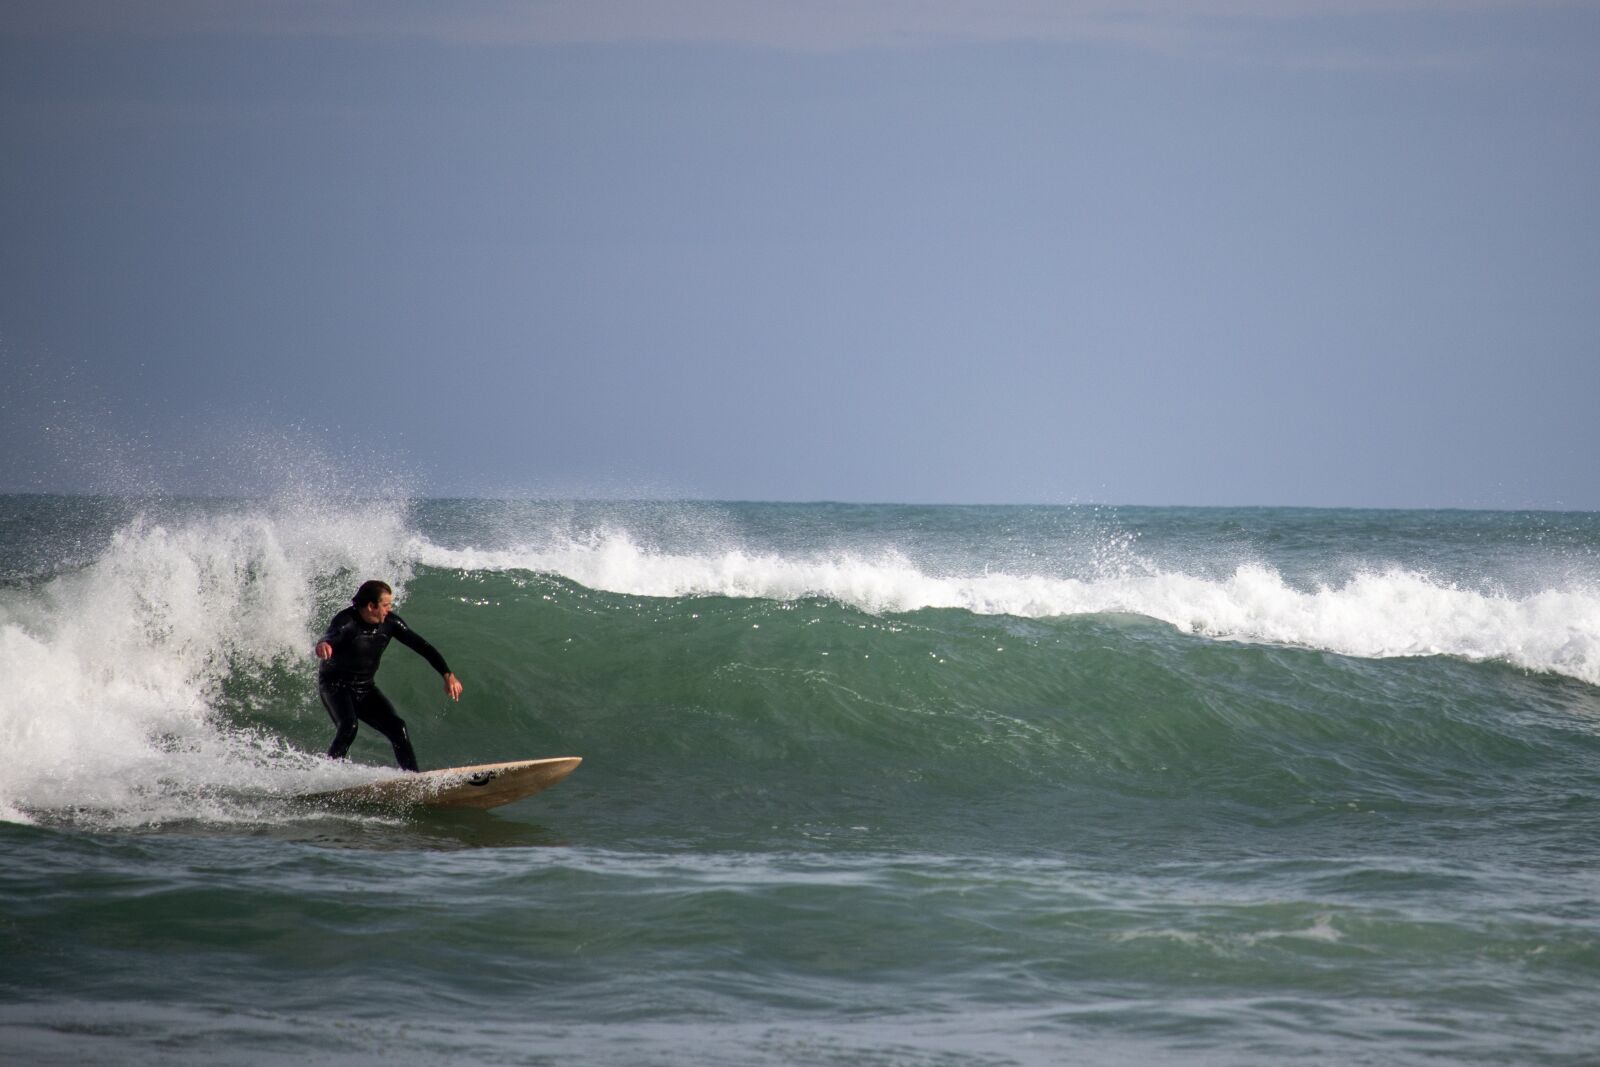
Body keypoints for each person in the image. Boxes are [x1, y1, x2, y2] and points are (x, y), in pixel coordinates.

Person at [314, 579, 462, 771]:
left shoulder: (390, 623)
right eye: (385, 605)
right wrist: (323, 644)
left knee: (398, 728)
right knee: (349, 727)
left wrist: (447, 674)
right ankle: (329, 775)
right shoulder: (346, 621)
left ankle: (412, 779)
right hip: (335, 686)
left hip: (365, 688)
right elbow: (331, 636)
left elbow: (422, 646)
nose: (388, 609)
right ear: (370, 606)